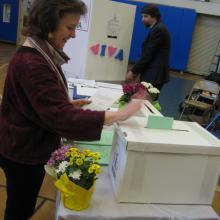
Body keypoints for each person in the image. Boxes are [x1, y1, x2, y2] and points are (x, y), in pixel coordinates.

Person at [0, 0, 143, 219]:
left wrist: (65, 104)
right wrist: (117, 115)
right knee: (20, 208)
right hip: (22, 151)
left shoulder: (38, 53)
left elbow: (37, 103)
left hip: (21, 143)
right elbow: (61, 118)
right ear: (48, 24)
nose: (74, 35)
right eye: (69, 27)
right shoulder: (33, 63)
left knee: (22, 204)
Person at [126, 4, 171, 91]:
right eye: (142, 16)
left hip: (154, 74)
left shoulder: (159, 29)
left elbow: (148, 54)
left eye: (145, 16)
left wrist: (133, 71)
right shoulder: (157, 28)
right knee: (146, 101)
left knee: (145, 101)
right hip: (153, 73)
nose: (143, 19)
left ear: (154, 16)